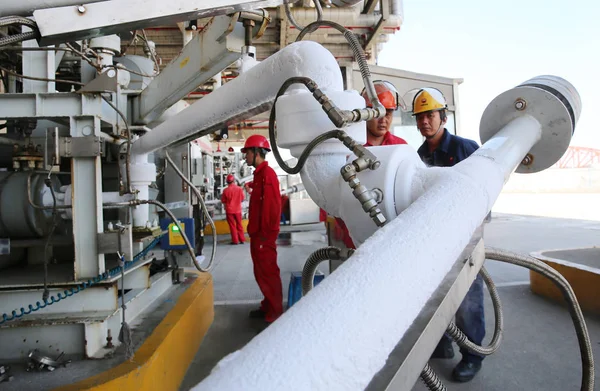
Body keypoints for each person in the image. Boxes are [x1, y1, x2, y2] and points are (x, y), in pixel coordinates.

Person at [413, 87, 484, 383]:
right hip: (433, 240)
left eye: (430, 115)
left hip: (464, 239)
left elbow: (484, 192)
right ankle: (442, 344)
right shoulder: (417, 157)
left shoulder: (466, 149)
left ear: (443, 116)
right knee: (434, 297)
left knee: (467, 300)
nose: (425, 121)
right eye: (420, 117)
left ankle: (473, 355)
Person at [333, 80, 409, 249]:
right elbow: (334, 194)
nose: (383, 120)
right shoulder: (347, 148)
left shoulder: (401, 148)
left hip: (395, 235)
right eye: (378, 114)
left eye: (388, 113)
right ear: (366, 113)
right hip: (355, 236)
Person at [241, 134, 283, 325]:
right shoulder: (259, 175)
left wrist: (266, 235)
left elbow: (273, 207)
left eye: (247, 152)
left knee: (268, 273)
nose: (245, 157)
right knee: (261, 272)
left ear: (257, 152)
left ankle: (275, 312)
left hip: (264, 235)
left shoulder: (268, 175)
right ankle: (267, 305)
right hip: (258, 234)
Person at [221, 174, 245, 245]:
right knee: (239, 225)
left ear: (227, 182)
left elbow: (223, 201)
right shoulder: (239, 189)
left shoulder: (225, 190)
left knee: (232, 226)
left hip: (229, 210)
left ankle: (235, 241)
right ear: (234, 180)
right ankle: (242, 239)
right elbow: (242, 199)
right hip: (238, 210)